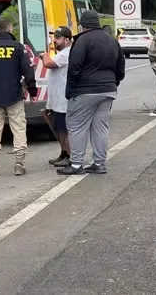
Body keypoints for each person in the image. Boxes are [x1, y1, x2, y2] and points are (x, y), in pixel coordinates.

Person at [57, 10, 126, 175]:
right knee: (100, 127)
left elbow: (74, 68)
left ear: (82, 25)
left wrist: (71, 91)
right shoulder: (112, 41)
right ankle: (99, 163)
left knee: (76, 126)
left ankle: (76, 165)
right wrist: (112, 83)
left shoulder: (82, 41)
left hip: (85, 90)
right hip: (108, 90)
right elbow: (121, 69)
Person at [0, 18, 37, 177]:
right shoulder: (17, 47)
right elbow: (28, 72)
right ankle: (19, 164)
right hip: (14, 95)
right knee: (18, 129)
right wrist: (33, 91)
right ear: (10, 29)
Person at [41, 26, 74, 167]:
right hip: (56, 100)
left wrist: (43, 55)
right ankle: (64, 152)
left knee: (63, 130)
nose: (55, 41)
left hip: (62, 101)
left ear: (67, 40)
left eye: (58, 38)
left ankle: (70, 155)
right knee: (57, 127)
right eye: (55, 38)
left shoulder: (66, 53)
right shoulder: (62, 53)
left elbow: (48, 63)